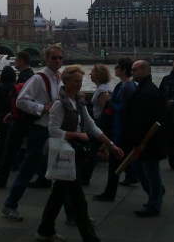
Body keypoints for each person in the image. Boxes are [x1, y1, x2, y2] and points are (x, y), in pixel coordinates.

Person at [37, 64, 124, 242]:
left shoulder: (78, 101)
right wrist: (77, 134)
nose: (79, 84)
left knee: (58, 195)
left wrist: (111, 145)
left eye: (80, 81)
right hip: (64, 155)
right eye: (76, 81)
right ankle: (90, 238)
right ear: (66, 81)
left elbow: (91, 124)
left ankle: (45, 230)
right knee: (79, 200)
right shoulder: (59, 104)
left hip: (74, 153)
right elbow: (53, 130)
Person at [1, 45, 64, 222]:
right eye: (54, 58)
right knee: (29, 168)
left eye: (60, 58)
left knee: (63, 173)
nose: (58, 61)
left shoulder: (59, 78)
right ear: (46, 59)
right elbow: (21, 101)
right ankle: (10, 204)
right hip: (40, 131)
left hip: (55, 130)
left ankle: (74, 213)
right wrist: (42, 108)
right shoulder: (39, 78)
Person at [0, 51, 35, 188]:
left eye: (16, 60)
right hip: (22, 116)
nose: (15, 62)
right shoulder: (29, 76)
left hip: (22, 118)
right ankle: (3, 176)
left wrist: (14, 114)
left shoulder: (25, 77)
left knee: (11, 147)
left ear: (21, 61)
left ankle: (2, 177)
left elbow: (21, 99)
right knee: (21, 149)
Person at [122, 60, 166, 217]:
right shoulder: (147, 88)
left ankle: (154, 203)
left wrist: (137, 143)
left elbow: (143, 119)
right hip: (148, 140)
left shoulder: (146, 92)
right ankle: (157, 193)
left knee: (149, 171)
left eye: (134, 70)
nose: (131, 72)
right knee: (143, 168)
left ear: (145, 71)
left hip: (147, 141)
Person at [94, 57, 138, 201]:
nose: (115, 69)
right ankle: (130, 178)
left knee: (115, 161)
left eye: (118, 67)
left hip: (120, 131)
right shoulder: (123, 85)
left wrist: (112, 103)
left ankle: (110, 192)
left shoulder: (126, 87)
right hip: (119, 130)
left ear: (124, 70)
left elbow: (125, 110)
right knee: (122, 159)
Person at [80, 64, 112, 186]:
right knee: (92, 149)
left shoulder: (102, 90)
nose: (90, 74)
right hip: (98, 122)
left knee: (92, 149)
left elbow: (107, 109)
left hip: (100, 123)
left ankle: (85, 177)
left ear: (98, 74)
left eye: (92, 72)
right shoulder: (102, 88)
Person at [0, 65, 17, 155]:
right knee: (14, 139)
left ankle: (1, 158)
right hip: (13, 114)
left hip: (2, 114)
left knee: (3, 138)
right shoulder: (16, 86)